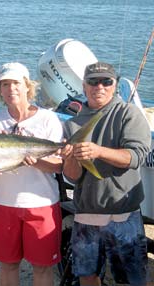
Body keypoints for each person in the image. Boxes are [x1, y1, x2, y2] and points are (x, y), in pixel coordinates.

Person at [61, 62, 151, 286]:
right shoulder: (72, 124)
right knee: (87, 276)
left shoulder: (128, 113)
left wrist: (98, 151)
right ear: (83, 86)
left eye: (106, 81)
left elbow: (136, 156)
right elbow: (72, 177)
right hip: (86, 216)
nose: (99, 86)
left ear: (115, 85)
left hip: (124, 215)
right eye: (92, 81)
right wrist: (71, 157)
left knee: (132, 279)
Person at [0, 62, 63, 286]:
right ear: (0, 90)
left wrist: (37, 162)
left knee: (42, 268)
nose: (11, 89)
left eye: (16, 83)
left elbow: (59, 165)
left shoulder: (48, 119)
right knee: (8, 265)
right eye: (5, 84)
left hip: (42, 203)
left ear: (28, 86)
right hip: (3, 202)